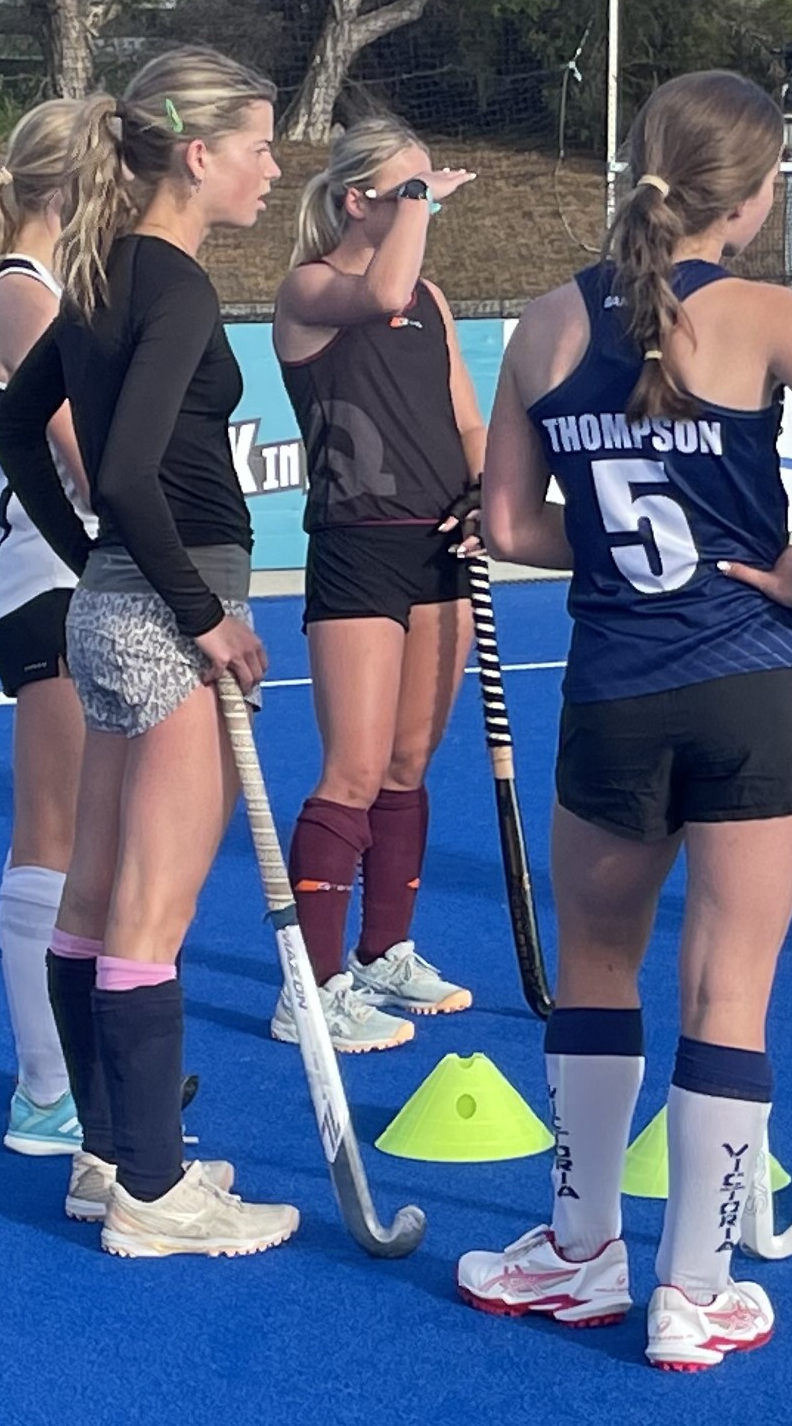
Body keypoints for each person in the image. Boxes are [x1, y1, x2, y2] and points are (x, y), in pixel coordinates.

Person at [455, 70, 792, 1369]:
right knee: (730, 987)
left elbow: (502, 525)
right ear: (758, 188)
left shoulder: (546, 323)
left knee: (597, 968)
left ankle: (578, 1246)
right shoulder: (767, 312)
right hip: (756, 686)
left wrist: (613, 557)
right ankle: (695, 1284)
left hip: (615, 691)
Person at [0, 46, 300, 1256]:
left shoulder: (98, 274)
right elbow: (119, 468)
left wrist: (92, 556)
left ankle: (110, 1156)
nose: (276, 171)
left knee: (93, 899)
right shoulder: (167, 282)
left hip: (115, 605)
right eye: (263, 147)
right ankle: (159, 1197)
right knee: (149, 916)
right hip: (169, 610)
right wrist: (201, 610)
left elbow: (23, 432)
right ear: (201, 153)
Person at [269, 118, 484, 1052]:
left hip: (439, 549)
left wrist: (486, 496)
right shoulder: (312, 289)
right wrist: (424, 203)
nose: (424, 207)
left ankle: (384, 949)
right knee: (351, 770)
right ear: (358, 200)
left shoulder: (427, 298)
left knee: (408, 764)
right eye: (407, 193)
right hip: (357, 548)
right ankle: (309, 990)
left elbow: (466, 417)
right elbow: (383, 284)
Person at [0, 97, 95, 1156]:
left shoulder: (39, 290)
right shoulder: (19, 296)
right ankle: (46, 1090)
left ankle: (75, 1066)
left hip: (63, 578)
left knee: (82, 837)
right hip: (49, 578)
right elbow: (86, 460)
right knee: (51, 835)